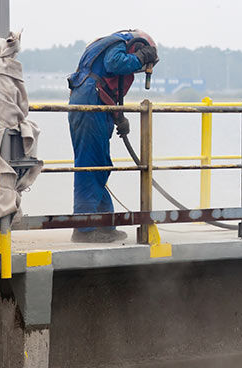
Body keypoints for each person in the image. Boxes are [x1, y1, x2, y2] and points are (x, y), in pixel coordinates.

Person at [66, 30, 158, 243]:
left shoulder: (111, 46)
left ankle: (105, 224)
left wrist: (119, 118)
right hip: (90, 107)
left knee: (101, 165)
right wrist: (143, 57)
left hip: (94, 106)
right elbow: (115, 64)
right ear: (139, 46)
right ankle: (84, 229)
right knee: (90, 166)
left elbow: (110, 90)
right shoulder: (118, 44)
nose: (140, 67)